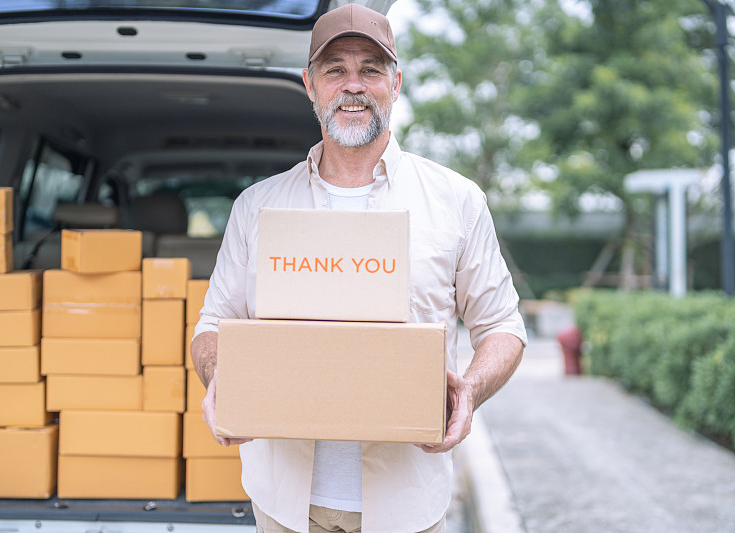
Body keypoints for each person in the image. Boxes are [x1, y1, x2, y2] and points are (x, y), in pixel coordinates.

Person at [191, 4, 527, 532]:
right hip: (283, 506)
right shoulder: (257, 207)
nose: (353, 85)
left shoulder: (456, 200)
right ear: (309, 85)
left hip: (407, 507)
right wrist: (220, 378)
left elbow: (504, 327)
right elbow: (210, 327)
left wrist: (469, 389)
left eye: (370, 69)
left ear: (396, 83)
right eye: (335, 70)